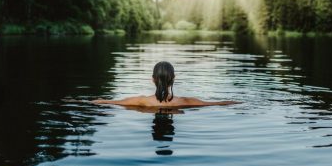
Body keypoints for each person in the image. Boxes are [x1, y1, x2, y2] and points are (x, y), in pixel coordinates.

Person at [92, 61, 238, 107]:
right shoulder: (186, 102)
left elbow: (110, 102)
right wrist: (235, 102)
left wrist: (93, 101)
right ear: (173, 79)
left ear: (152, 79)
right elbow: (217, 103)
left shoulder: (141, 101)